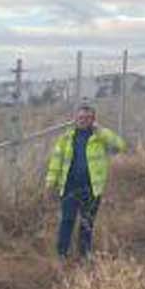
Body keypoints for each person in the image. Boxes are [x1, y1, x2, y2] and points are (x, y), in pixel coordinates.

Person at [45, 103, 127, 259]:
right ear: (75, 119)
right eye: (81, 117)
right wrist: (50, 182)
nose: (83, 120)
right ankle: (62, 253)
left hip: (91, 188)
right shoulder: (66, 138)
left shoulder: (100, 138)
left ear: (94, 120)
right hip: (69, 187)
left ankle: (84, 254)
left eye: (88, 118)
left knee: (87, 222)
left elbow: (120, 145)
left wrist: (101, 130)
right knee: (67, 220)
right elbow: (56, 161)